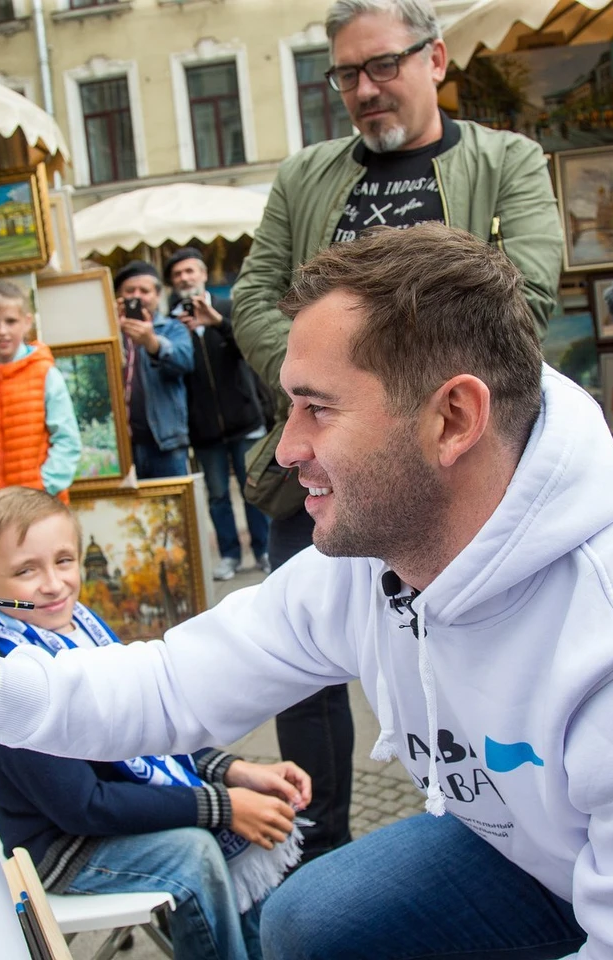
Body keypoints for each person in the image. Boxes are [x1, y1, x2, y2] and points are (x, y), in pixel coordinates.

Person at [0, 225, 613, 959]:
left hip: (609, 892)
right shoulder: (371, 562)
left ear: (453, 418)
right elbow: (173, 683)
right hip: (526, 850)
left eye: (317, 409)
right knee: (306, 920)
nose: (284, 449)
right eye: (285, 406)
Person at [231, 0, 564, 862]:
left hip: (459, 467)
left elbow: (527, 301)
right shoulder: (307, 176)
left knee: (475, 648)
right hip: (316, 463)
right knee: (303, 666)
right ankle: (321, 844)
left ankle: (494, 831)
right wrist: (320, 390)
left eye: (383, 66)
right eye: (346, 74)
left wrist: (388, 394)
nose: (365, 89)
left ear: (436, 59)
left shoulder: (506, 160)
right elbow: (252, 296)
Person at [0, 486, 311, 960]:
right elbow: (84, 807)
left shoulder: (81, 627)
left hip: (101, 814)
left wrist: (233, 771)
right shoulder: (4, 679)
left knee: (248, 809)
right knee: (195, 851)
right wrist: (221, 806)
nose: (54, 584)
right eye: (25, 571)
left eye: (63, 560)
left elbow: (143, 727)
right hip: (61, 848)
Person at [164, 247, 271, 581]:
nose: (184, 278)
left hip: (244, 418)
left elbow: (250, 348)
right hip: (204, 429)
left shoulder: (227, 309)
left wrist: (218, 322)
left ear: (203, 274)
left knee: (253, 489)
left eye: (190, 271)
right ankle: (229, 555)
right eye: (178, 275)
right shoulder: (170, 324)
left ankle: (264, 549)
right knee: (219, 496)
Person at [0, 279, 80, 501]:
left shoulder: (46, 374)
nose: (2, 331)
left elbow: (67, 440)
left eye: (11, 321)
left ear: (26, 322)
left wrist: (42, 487)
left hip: (39, 504)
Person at [114, 260, 194, 479]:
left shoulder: (172, 328)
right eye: (130, 290)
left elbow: (184, 362)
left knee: (176, 510)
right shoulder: (109, 335)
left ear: (157, 296)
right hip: (121, 447)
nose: (137, 296)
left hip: (165, 443)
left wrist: (152, 342)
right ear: (119, 297)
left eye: (145, 290)